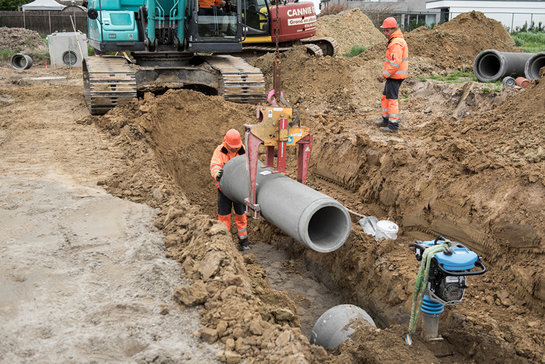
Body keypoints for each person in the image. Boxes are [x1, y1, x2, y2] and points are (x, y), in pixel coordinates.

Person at [210, 129, 250, 251]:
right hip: (224, 190)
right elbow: (214, 165)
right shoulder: (219, 150)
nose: (233, 149)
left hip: (237, 189)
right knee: (224, 216)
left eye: (235, 147)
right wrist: (217, 174)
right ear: (226, 143)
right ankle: (225, 243)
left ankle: (244, 242)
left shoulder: (243, 150)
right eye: (231, 147)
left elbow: (248, 166)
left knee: (241, 214)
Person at [376, 17, 408, 133]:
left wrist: (384, 75)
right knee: (385, 97)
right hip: (392, 76)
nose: (385, 33)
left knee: (392, 99)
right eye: (384, 30)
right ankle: (386, 120)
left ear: (394, 30)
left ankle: (393, 125)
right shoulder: (394, 40)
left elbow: (395, 63)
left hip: (395, 77)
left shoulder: (396, 43)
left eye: (387, 31)